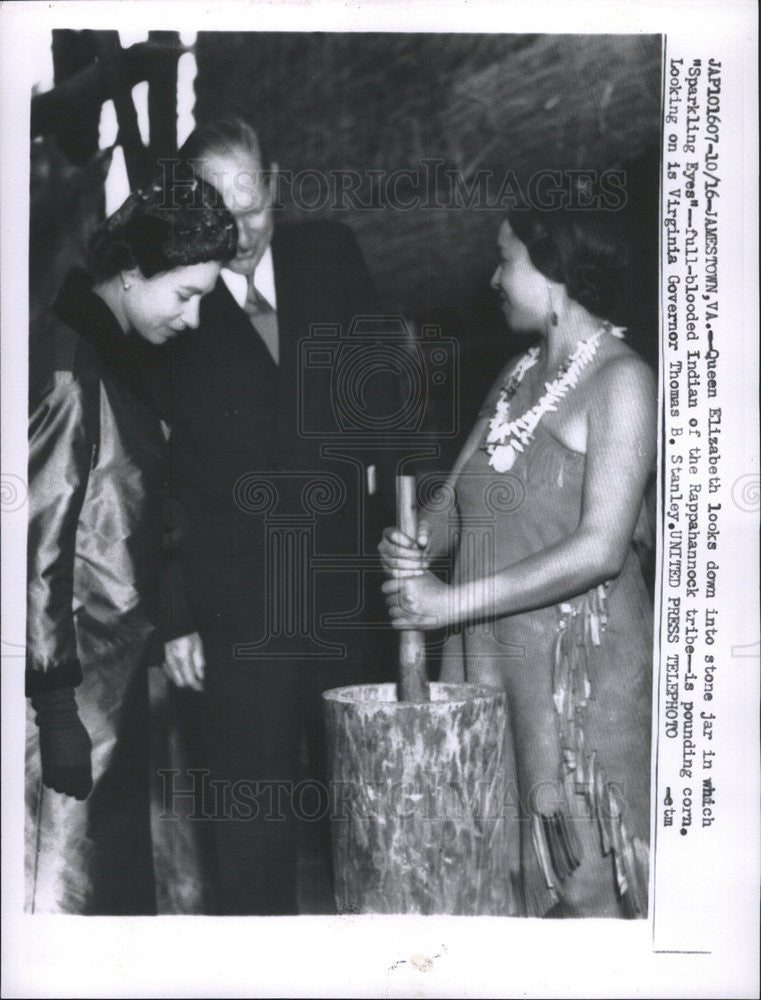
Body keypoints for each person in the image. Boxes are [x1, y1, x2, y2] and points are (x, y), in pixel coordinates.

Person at [147, 118, 399, 915]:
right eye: (220, 216)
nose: (243, 233)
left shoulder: (330, 254)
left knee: (368, 813)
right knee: (249, 837)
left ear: (276, 184)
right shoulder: (169, 301)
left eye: (254, 208)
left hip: (342, 597)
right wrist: (175, 612)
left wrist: (404, 533)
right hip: (233, 610)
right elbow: (154, 473)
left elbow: (389, 408)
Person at [380, 206, 656, 918]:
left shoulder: (623, 383)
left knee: (582, 886)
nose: (493, 277)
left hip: (577, 690)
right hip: (488, 672)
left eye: (506, 259)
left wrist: (446, 605)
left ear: (554, 271)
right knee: (493, 875)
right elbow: (454, 502)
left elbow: (600, 548)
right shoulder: (517, 374)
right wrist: (415, 541)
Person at [25, 173, 237, 914]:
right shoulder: (70, 366)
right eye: (184, 295)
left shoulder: (110, 352)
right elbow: (35, 546)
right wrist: (54, 710)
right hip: (68, 691)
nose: (193, 318)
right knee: (57, 893)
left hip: (107, 678)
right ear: (128, 273)